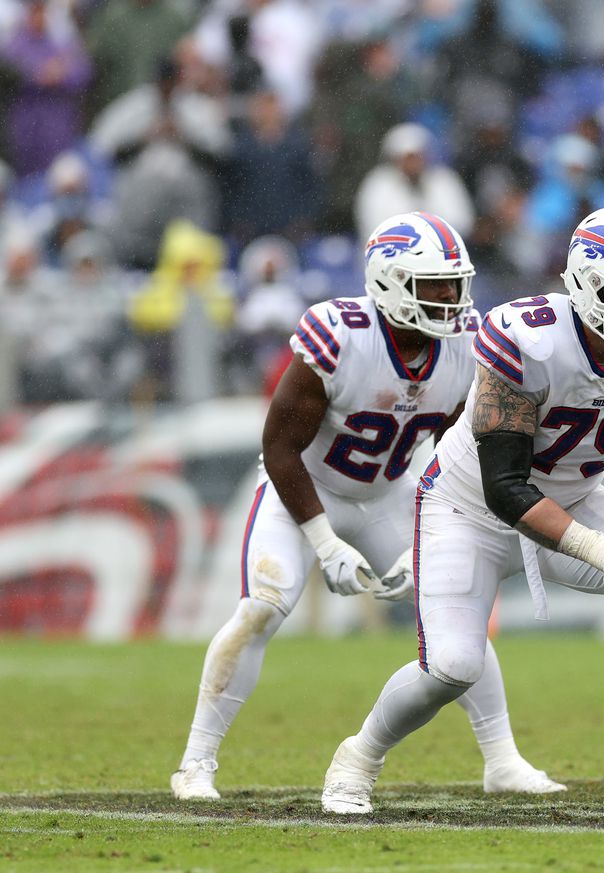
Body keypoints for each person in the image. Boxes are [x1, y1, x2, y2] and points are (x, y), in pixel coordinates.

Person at [319, 206, 604, 815]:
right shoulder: (526, 337)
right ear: (583, 283)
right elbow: (506, 486)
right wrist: (602, 550)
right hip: (468, 507)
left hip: (573, 500)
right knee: (451, 668)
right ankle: (358, 758)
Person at [171, 212, 563, 801]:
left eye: (455, 284)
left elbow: (459, 452)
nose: (450, 299)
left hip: (391, 493)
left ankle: (502, 760)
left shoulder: (464, 347)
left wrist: (428, 539)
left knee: (458, 608)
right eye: (433, 285)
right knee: (262, 609)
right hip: (304, 488)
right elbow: (279, 449)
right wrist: (325, 542)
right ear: (388, 282)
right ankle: (196, 763)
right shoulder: (338, 335)